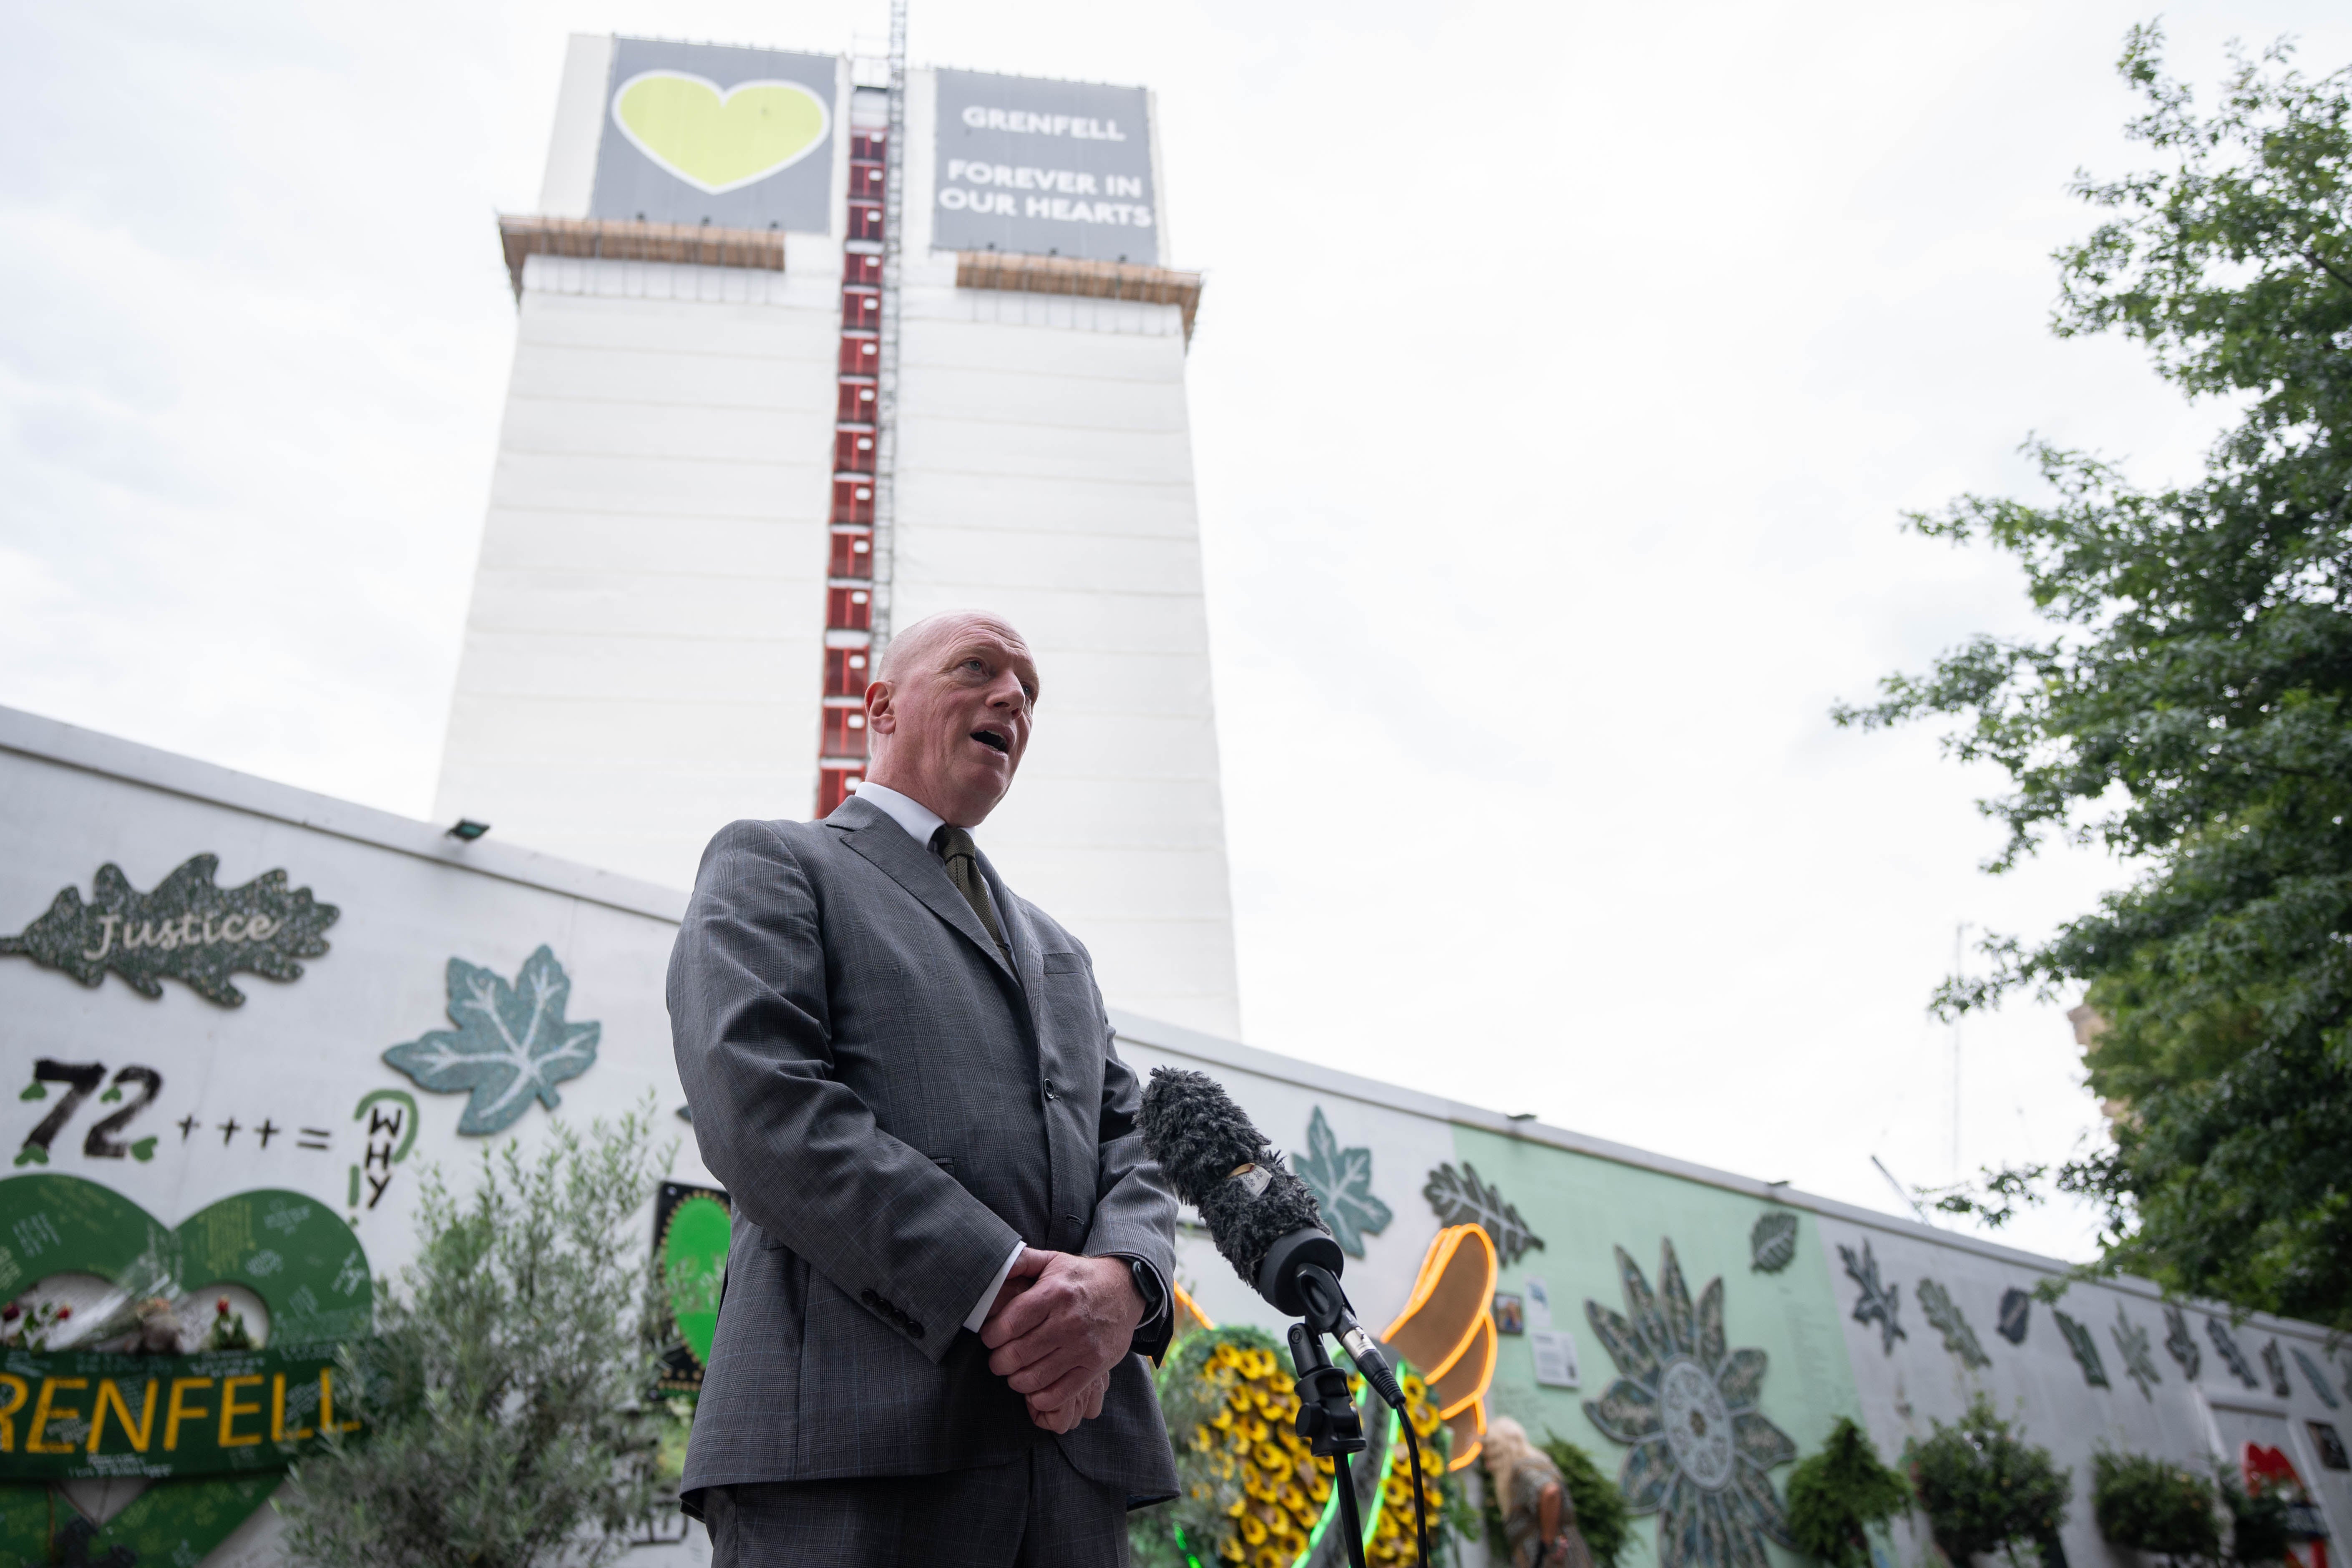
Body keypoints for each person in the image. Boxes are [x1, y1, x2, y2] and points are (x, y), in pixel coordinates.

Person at [669, 610, 1180, 1566]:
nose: (1012, 700)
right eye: (977, 670)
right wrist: (996, 1284)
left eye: (1029, 692)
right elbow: (762, 1107)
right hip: (849, 1460)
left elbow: (1134, 1142)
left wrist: (1124, 1285)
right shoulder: (776, 862)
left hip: (1070, 1474)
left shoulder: (1060, 952)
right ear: (880, 706)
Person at [1482, 1417, 1597, 1568]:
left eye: (1489, 1453)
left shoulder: (1521, 1470)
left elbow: (1551, 1492)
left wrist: (1547, 1543)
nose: (1488, 1464)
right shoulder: (1537, 1462)